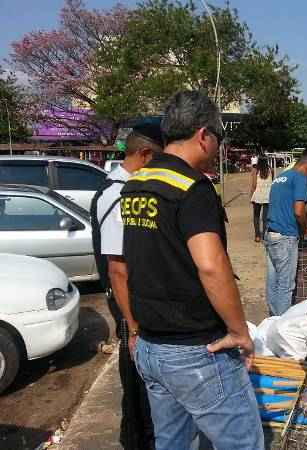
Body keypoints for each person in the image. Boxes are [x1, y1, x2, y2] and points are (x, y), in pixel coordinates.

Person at [120, 90, 263, 450]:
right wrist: (238, 332)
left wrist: (135, 330)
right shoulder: (192, 187)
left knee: (172, 442)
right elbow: (211, 265)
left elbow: (128, 261)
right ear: (204, 135)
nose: (217, 148)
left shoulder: (136, 184)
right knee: (243, 442)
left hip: (151, 346)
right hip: (195, 349)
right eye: (218, 138)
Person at [91, 124, 163, 450]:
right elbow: (118, 269)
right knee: (137, 388)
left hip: (138, 302)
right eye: (159, 158)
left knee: (145, 386)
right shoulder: (118, 193)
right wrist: (132, 327)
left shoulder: (131, 187)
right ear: (145, 154)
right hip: (128, 306)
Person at [265, 146, 307, 316]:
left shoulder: (281, 177)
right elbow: (298, 211)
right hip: (285, 238)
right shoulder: (300, 178)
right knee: (285, 285)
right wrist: (305, 230)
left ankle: (272, 320)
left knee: (272, 281)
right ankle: (281, 326)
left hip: (271, 234)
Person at [250, 156, 272, 242]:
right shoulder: (270, 170)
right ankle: (265, 236)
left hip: (258, 195)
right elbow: (271, 182)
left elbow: (254, 185)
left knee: (256, 216)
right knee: (265, 217)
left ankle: (257, 236)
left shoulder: (256, 170)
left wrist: (251, 195)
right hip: (268, 195)